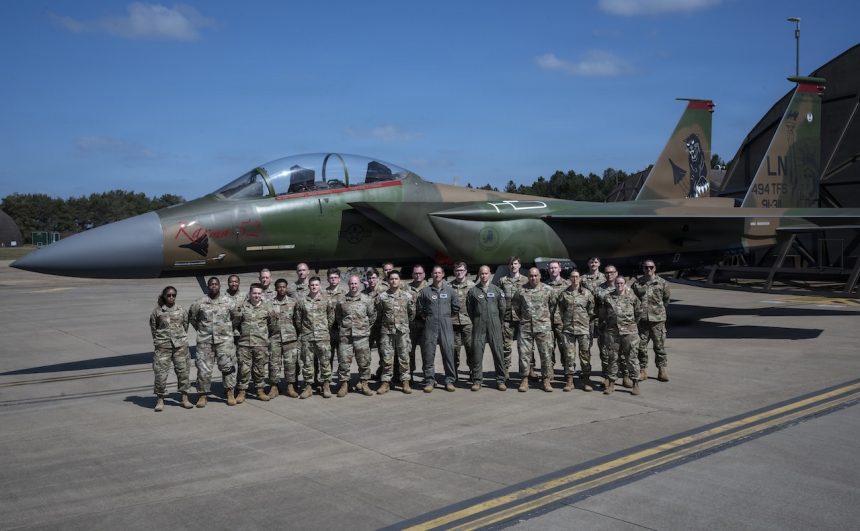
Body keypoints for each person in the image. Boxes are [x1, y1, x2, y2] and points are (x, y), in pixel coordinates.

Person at [188, 277, 237, 407]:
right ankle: (202, 395)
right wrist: (202, 330)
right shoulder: (200, 302)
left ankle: (230, 392)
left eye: (216, 284)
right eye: (211, 284)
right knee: (203, 369)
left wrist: (226, 330)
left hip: (224, 341)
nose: (213, 286)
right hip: (205, 341)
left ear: (219, 286)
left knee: (228, 367)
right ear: (208, 287)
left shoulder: (229, 302)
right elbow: (192, 318)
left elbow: (236, 317)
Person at [596, 275, 642, 395]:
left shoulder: (632, 297)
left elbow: (638, 313)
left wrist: (631, 325)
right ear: (614, 284)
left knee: (631, 358)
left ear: (625, 284)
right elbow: (603, 314)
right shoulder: (608, 298)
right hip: (613, 333)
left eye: (621, 283)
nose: (619, 286)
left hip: (629, 333)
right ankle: (611, 384)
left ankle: (635, 383)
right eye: (617, 283)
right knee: (612, 358)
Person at [149, 286, 193, 411]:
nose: (171, 297)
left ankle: (184, 398)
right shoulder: (157, 312)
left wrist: (180, 339)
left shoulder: (181, 310)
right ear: (164, 296)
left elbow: (185, 325)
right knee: (160, 374)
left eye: (173, 295)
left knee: (183, 372)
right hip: (163, 347)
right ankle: (160, 399)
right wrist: (161, 341)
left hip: (180, 347)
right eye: (168, 295)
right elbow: (154, 329)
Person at [512, 268, 555, 393]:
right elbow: (516, 307)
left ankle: (546, 379)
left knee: (546, 354)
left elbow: (553, 306)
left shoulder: (548, 290)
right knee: (524, 355)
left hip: (543, 328)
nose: (533, 278)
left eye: (536, 275)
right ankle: (524, 379)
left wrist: (545, 319)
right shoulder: (521, 290)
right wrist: (524, 319)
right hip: (526, 327)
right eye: (531, 276)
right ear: (528, 277)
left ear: (540, 276)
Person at [231, 283, 276, 402]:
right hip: (244, 344)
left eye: (259, 293)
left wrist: (265, 337)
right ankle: (242, 391)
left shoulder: (268, 308)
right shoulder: (242, 307)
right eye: (254, 293)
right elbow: (235, 324)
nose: (256, 295)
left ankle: (260, 390)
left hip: (261, 344)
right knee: (243, 369)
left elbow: (273, 325)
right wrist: (238, 337)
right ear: (250, 294)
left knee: (260, 369)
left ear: (262, 295)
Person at [418, 266, 459, 392]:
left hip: (446, 324)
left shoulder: (450, 291)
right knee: (429, 353)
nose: (437, 275)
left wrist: (445, 317)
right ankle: (429, 381)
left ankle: (449, 381)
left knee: (448, 352)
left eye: (439, 272)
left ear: (443, 274)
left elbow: (455, 307)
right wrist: (429, 317)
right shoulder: (425, 291)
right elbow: (420, 309)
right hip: (430, 324)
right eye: (435, 272)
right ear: (431, 274)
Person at [335, 274, 377, 396]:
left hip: (362, 337)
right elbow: (338, 317)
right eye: (351, 283)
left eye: (355, 283)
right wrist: (344, 326)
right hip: (345, 336)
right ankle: (344, 385)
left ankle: (364, 384)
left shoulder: (366, 299)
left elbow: (372, 316)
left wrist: (364, 328)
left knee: (364, 361)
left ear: (359, 284)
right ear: (348, 285)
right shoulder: (341, 300)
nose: (353, 286)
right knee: (344, 361)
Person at [466, 265, 507, 391]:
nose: (484, 276)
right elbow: (470, 310)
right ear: (479, 275)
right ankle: (477, 380)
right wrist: (477, 320)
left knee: (498, 353)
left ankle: (500, 380)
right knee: (477, 354)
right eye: (481, 274)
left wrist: (497, 321)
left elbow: (502, 309)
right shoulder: (473, 291)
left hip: (494, 325)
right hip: (479, 325)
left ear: (490, 274)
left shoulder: (497, 290)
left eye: (486, 273)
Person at [375, 270, 415, 394]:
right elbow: (379, 314)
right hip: (387, 332)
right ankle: (386, 382)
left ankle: (405, 382)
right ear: (388, 281)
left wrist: (403, 324)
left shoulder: (407, 296)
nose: (394, 281)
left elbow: (411, 313)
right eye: (391, 279)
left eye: (396, 278)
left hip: (402, 332)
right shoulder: (382, 297)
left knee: (404, 357)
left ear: (400, 280)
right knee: (387, 358)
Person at [295, 276, 335, 398]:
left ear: (320, 286)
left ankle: (326, 385)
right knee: (307, 363)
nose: (314, 287)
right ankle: (308, 387)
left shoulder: (326, 300)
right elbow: (298, 319)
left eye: (316, 285)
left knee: (325, 362)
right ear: (308, 286)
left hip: (323, 336)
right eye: (312, 285)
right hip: (307, 337)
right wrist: (305, 331)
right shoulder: (302, 301)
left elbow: (331, 317)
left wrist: (324, 329)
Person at [556, 270, 595, 392]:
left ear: (580, 278)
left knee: (585, 355)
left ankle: (586, 380)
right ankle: (569, 380)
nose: (575, 279)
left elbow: (592, 311)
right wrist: (563, 324)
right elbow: (560, 310)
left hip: (583, 329)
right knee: (569, 355)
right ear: (569, 278)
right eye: (572, 277)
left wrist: (586, 322)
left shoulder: (587, 294)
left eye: (577, 276)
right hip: (568, 330)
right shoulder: (564, 294)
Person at [632, 259, 671, 382]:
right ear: (643, 269)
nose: (648, 269)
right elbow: (633, 300)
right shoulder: (637, 284)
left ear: (655, 268)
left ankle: (662, 370)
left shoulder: (663, 283)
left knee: (659, 346)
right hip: (642, 321)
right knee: (641, 347)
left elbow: (666, 300)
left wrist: (658, 312)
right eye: (646, 267)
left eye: (651, 267)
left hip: (657, 320)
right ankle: (643, 370)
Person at [269, 278, 300, 398]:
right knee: (274, 363)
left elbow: (298, 320)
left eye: (283, 287)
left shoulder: (293, 302)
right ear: (276, 288)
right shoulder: (270, 303)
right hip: (275, 338)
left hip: (290, 338)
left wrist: (296, 334)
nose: (281, 289)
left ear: (286, 288)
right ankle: (274, 387)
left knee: (290, 363)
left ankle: (290, 386)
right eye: (279, 287)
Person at [497, 256, 527, 375]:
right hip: (507, 318)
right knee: (506, 345)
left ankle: (528, 370)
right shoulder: (502, 281)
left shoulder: (525, 280)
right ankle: (505, 370)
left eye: (515, 263)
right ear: (508, 266)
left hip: (522, 318)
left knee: (524, 346)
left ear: (519, 265)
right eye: (511, 264)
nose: (513, 266)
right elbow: (498, 298)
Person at [545, 260, 571, 378]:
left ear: (560, 269)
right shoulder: (544, 285)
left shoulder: (567, 284)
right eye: (551, 268)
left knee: (564, 347)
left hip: (562, 322)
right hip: (547, 322)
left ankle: (567, 371)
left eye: (555, 267)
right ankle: (550, 372)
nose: (553, 270)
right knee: (549, 347)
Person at [404, 264, 429, 383]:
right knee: (410, 351)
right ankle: (410, 376)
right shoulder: (406, 288)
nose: (418, 275)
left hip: (426, 325)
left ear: (424, 274)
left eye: (420, 273)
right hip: (411, 325)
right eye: (416, 273)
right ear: (412, 274)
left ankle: (428, 376)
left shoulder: (430, 288)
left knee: (427, 351)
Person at [595, 265, 620, 382]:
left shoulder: (623, 287)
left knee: (621, 352)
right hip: (604, 327)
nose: (609, 275)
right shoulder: (599, 289)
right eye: (607, 273)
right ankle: (606, 376)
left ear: (616, 273)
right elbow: (594, 306)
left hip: (620, 326)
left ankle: (624, 376)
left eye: (612, 272)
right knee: (605, 352)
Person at [450, 262, 474, 373]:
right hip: (453, 323)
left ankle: (473, 371)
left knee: (470, 348)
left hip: (468, 322)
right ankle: (454, 372)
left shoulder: (472, 286)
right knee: (455, 349)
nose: (459, 273)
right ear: (454, 272)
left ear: (466, 272)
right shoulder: (448, 286)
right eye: (457, 270)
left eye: (461, 270)